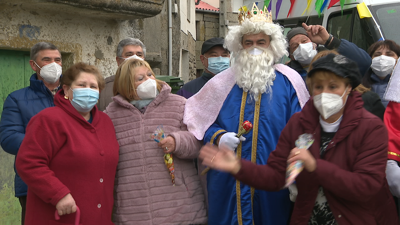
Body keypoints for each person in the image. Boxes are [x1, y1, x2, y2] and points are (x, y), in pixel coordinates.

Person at [199, 52, 399, 224]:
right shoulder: (300, 124)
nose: (324, 93)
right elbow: (277, 177)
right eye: (318, 87)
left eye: (333, 86)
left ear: (349, 88)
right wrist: (238, 167)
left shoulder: (370, 127)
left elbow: (366, 186)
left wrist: (315, 166)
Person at [183, 4, 309, 224]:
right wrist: (219, 137)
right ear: (239, 46)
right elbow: (197, 119)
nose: (254, 48)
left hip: (274, 176)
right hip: (227, 179)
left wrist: (297, 173)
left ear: (272, 44)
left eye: (261, 42)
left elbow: (303, 132)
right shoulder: (221, 82)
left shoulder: (290, 82)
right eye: (248, 43)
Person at [104, 59, 207, 224]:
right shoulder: (111, 114)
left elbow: (198, 142)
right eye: (140, 78)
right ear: (126, 84)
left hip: (180, 206)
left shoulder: (179, 104)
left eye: (150, 74)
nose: (149, 80)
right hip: (133, 209)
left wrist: (177, 141)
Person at [15, 62, 119, 225]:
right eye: (82, 85)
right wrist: (58, 194)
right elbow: (28, 162)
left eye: (94, 86)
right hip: (59, 215)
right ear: (66, 89)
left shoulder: (105, 122)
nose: (88, 90)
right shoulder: (49, 119)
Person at [0, 42, 62, 225]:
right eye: (47, 59)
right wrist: (47, 147)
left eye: (57, 59)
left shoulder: (75, 94)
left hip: (73, 178)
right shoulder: (17, 99)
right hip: (33, 183)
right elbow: (9, 137)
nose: (54, 64)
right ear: (33, 65)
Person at [286, 23, 371, 81]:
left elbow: (364, 62)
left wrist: (329, 40)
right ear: (292, 55)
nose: (301, 46)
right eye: (295, 46)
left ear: (313, 43)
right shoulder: (289, 77)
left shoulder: (333, 61)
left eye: (304, 41)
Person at [98, 37, 146, 111]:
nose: (135, 58)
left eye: (139, 55)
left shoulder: (155, 86)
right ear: (118, 61)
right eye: (129, 55)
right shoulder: (103, 88)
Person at [362, 39, 400, 107]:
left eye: (389, 54)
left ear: (398, 59)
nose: (382, 58)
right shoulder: (360, 85)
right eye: (377, 55)